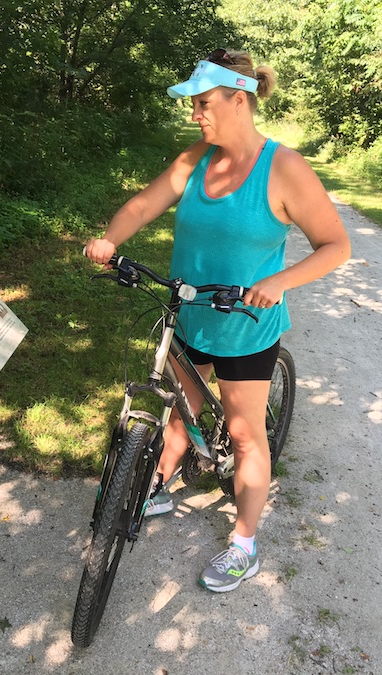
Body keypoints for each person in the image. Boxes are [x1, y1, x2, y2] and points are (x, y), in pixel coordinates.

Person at [84, 49, 351, 593]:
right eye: (192, 105)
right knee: (182, 410)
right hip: (188, 316)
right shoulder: (195, 160)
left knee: (248, 436)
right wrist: (112, 238)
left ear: (238, 99)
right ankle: (160, 482)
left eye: (203, 104)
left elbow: (336, 246)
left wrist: (278, 282)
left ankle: (244, 544)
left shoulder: (284, 168)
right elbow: (142, 205)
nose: (194, 114)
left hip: (246, 326)